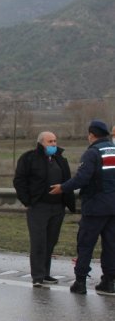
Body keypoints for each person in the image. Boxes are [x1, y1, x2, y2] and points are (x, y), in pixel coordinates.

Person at [50, 120, 115, 296]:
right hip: (113, 207)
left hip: (95, 207)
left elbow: (81, 179)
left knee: (85, 244)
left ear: (91, 135)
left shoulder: (92, 153)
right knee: (111, 245)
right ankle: (109, 282)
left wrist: (62, 188)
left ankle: (80, 283)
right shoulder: (113, 150)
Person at [14, 131, 75, 287]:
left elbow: (68, 180)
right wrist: (28, 201)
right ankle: (37, 276)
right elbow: (19, 181)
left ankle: (46, 273)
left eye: (55, 141)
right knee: (39, 242)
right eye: (50, 141)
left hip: (57, 207)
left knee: (51, 241)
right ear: (41, 143)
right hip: (38, 207)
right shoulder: (29, 158)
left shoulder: (60, 159)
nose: (54, 144)